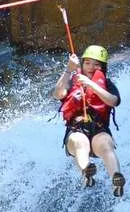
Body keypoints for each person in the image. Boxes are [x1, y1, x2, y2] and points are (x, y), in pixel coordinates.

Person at [53, 45, 125, 196]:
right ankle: (87, 171)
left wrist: (91, 84)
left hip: (99, 130)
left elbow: (113, 101)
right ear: (82, 63)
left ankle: (116, 179)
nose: (91, 67)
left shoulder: (107, 84)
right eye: (87, 63)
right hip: (76, 130)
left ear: (102, 67)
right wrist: (68, 69)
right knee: (80, 142)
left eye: (96, 64)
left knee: (106, 144)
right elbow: (58, 94)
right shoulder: (72, 81)